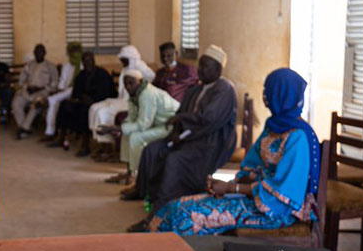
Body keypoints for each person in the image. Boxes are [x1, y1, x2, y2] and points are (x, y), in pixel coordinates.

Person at [149, 68, 320, 235]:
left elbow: (281, 195)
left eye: (268, 91)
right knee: (175, 206)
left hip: (274, 212)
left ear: (282, 96)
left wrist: (233, 187)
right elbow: (252, 165)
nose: (264, 96)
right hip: (254, 197)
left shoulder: (298, 138)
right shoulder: (274, 126)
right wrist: (225, 186)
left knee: (186, 217)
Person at [127, 45, 237, 231]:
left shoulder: (224, 89)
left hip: (208, 143)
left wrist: (183, 123)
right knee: (153, 151)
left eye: (205, 66)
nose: (200, 70)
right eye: (200, 65)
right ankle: (151, 199)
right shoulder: (196, 88)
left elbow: (208, 120)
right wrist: (177, 131)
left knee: (174, 161)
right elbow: (180, 114)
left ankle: (155, 219)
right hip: (188, 137)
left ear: (218, 69)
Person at [97, 70, 180, 192]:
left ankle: (136, 178)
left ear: (140, 82)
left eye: (131, 83)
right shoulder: (135, 94)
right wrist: (120, 128)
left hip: (170, 127)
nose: (128, 87)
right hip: (156, 124)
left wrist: (114, 128)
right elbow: (131, 118)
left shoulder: (147, 94)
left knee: (136, 137)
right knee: (127, 134)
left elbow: (143, 125)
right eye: (125, 84)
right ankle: (129, 172)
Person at [88, 45, 154, 157]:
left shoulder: (140, 67)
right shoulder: (125, 69)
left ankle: (108, 147)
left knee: (103, 112)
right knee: (94, 108)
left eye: (124, 59)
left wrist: (137, 64)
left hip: (132, 102)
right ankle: (102, 142)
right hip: (121, 100)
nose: (122, 62)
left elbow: (152, 76)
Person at [52, 51, 117, 156]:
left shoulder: (102, 74)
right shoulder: (81, 75)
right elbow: (76, 92)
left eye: (89, 61)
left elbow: (108, 92)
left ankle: (85, 145)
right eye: (85, 61)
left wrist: (92, 99)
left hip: (98, 102)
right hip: (82, 101)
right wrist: (81, 97)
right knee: (65, 105)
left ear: (93, 61)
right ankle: (61, 137)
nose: (87, 63)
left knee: (85, 110)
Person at [12, 44, 58, 139]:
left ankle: (23, 128)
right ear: (34, 53)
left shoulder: (51, 66)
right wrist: (26, 87)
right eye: (37, 52)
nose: (39, 54)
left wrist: (41, 88)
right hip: (28, 91)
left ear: (45, 53)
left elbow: (54, 84)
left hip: (42, 92)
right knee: (16, 103)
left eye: (41, 52)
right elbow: (21, 80)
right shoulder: (29, 65)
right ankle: (25, 128)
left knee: (37, 104)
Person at [41, 42, 82, 142]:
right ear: (69, 52)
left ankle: (53, 131)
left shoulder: (82, 65)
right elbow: (62, 83)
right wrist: (58, 92)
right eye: (73, 51)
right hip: (66, 91)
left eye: (77, 51)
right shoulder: (66, 66)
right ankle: (50, 132)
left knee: (52, 100)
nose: (75, 53)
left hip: (78, 92)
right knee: (54, 104)